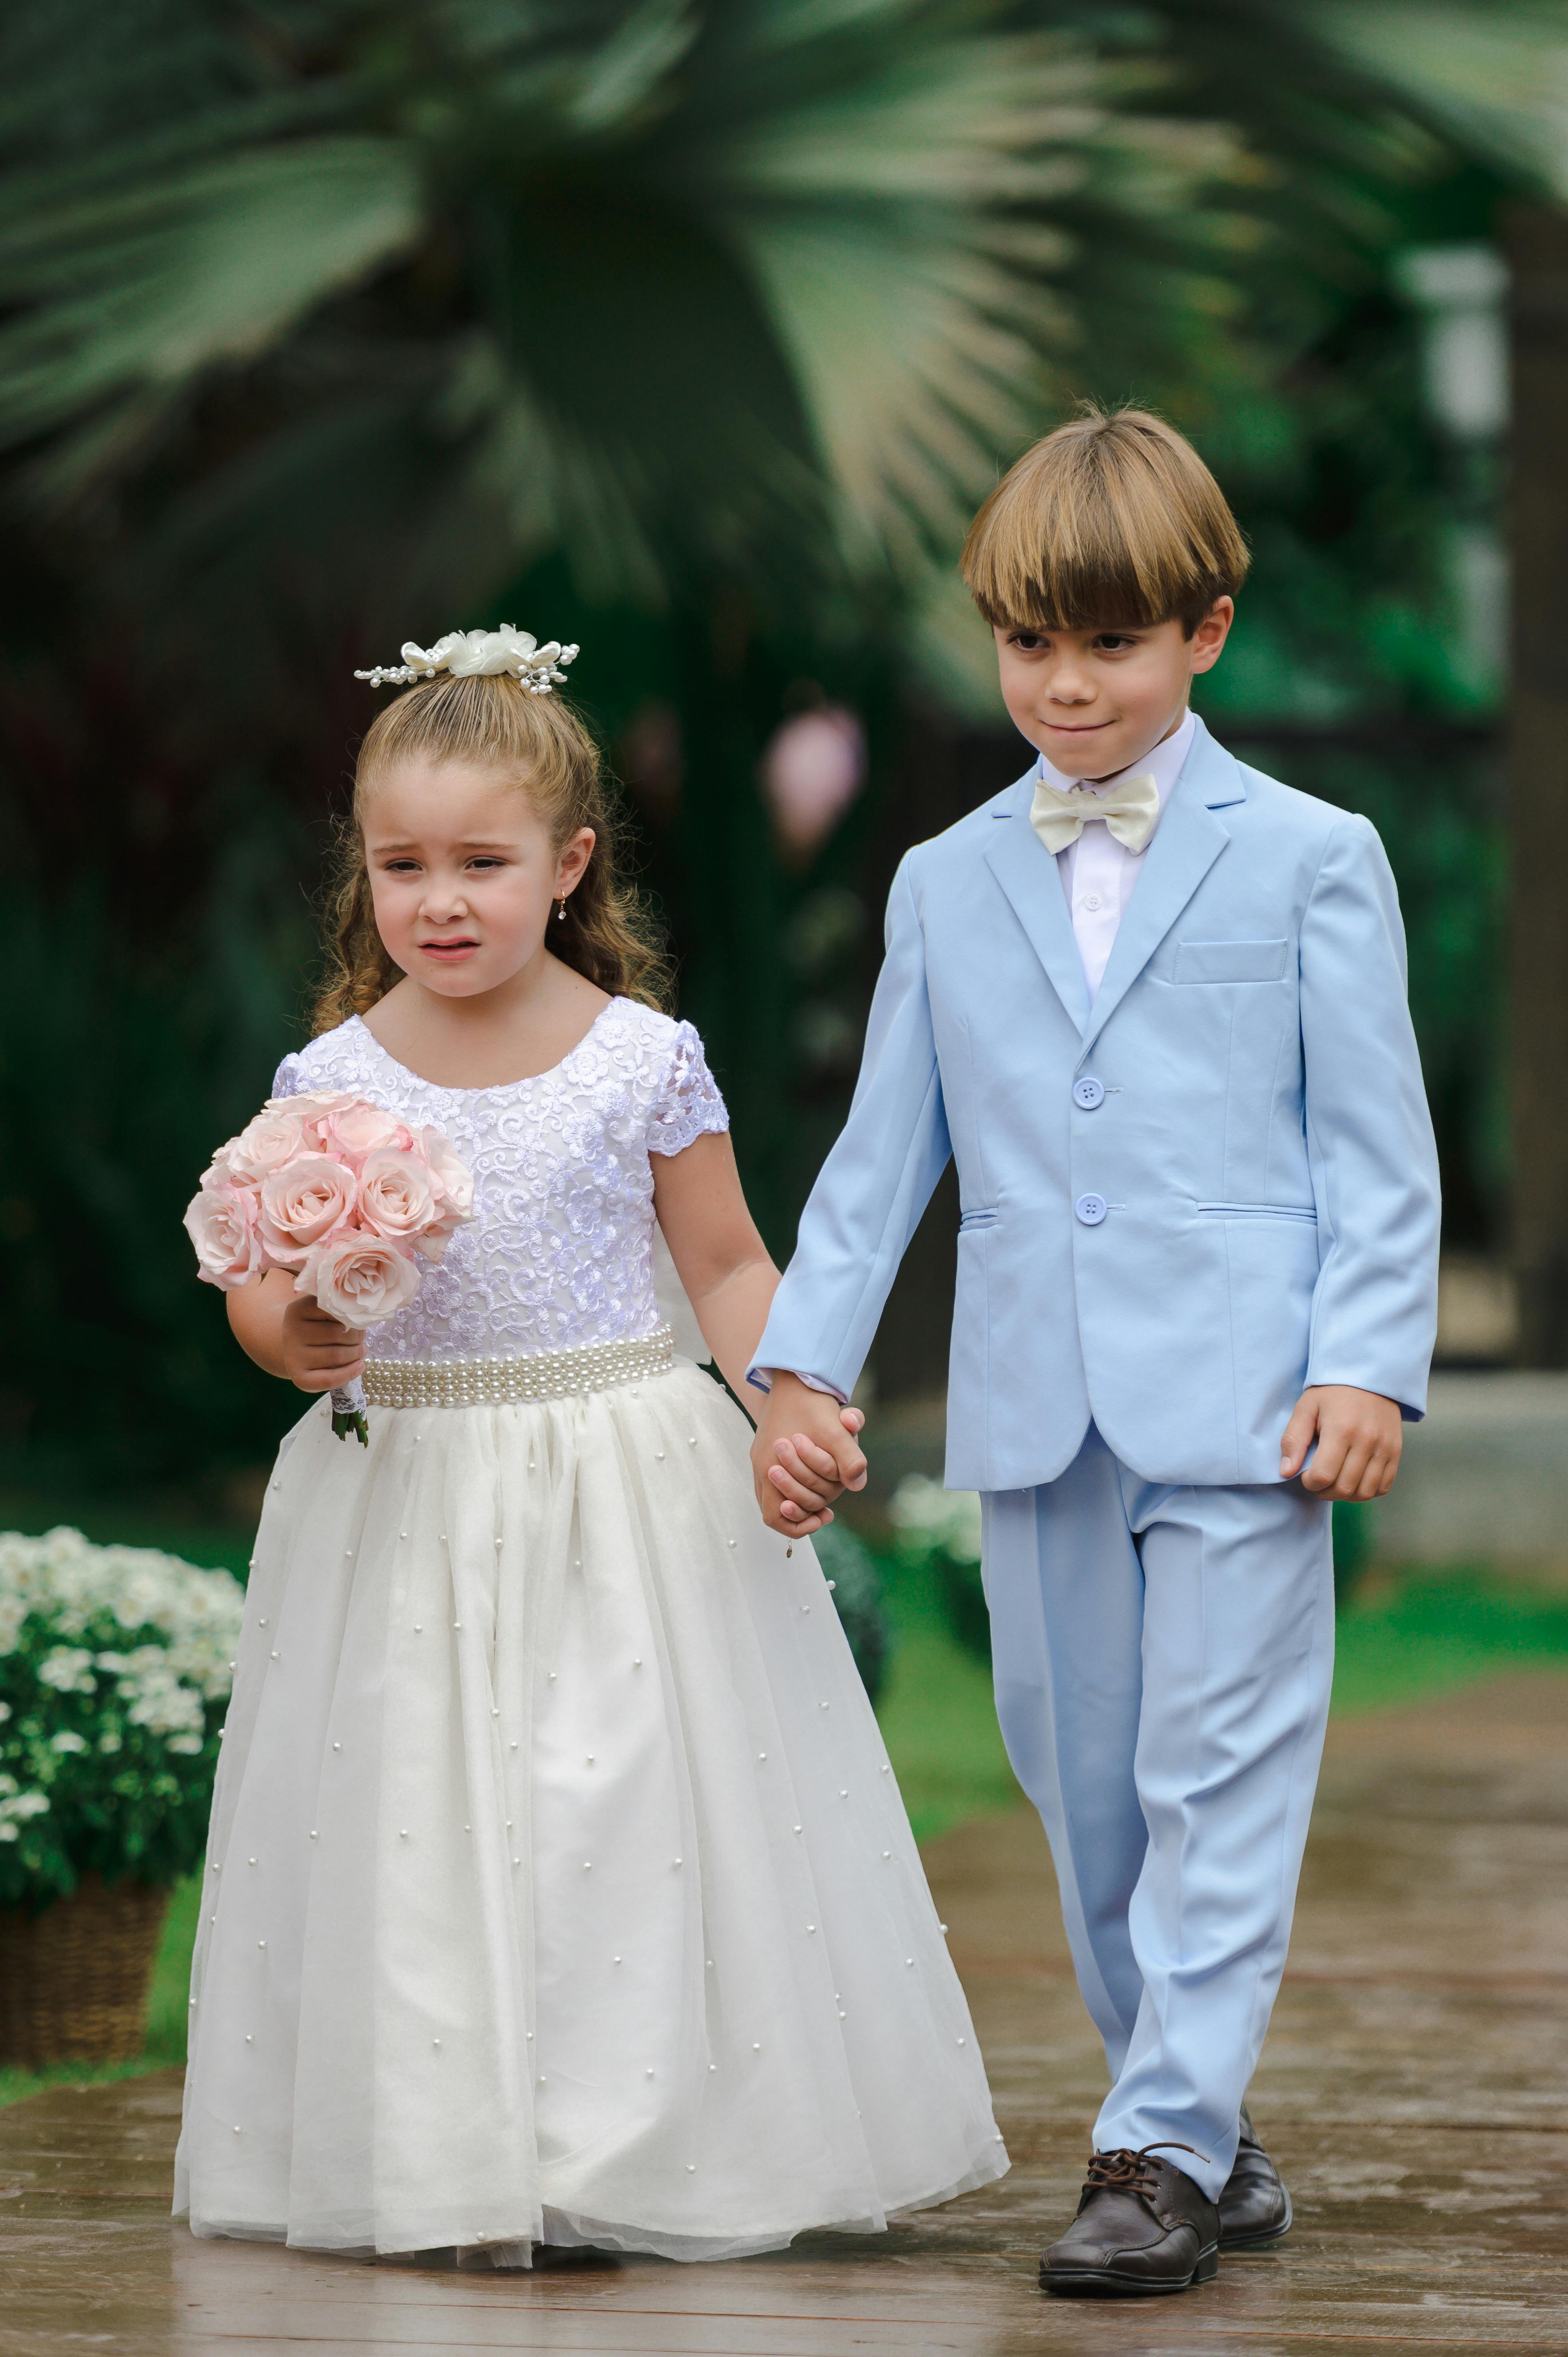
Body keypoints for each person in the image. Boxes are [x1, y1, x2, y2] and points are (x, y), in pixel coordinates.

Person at [174, 631, 1006, 2265]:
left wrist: (792, 1393)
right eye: (401, 862)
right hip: (405, 1490)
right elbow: (261, 1286)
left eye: (480, 862)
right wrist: (293, 1332)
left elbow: (723, 1264)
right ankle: (455, 2148)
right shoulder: (330, 1081)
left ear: (566, 866)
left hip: (623, 1483)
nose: (438, 899)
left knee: (620, 1811)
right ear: (363, 864)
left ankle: (641, 2142)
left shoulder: (640, 1056)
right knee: (426, 1824)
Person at [748, 409, 1440, 2297]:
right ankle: (1199, 2116)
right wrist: (803, 1365)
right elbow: (882, 1157)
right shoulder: (942, 879)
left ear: (1206, 631)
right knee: (1086, 1786)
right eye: (1030, 643)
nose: (1066, 684)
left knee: (1224, 1771)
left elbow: (1375, 1143)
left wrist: (1368, 1362)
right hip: (1038, 1407)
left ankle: (1148, 2153)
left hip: (1250, 1407)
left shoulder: (1314, 855)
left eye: (1111, 644)